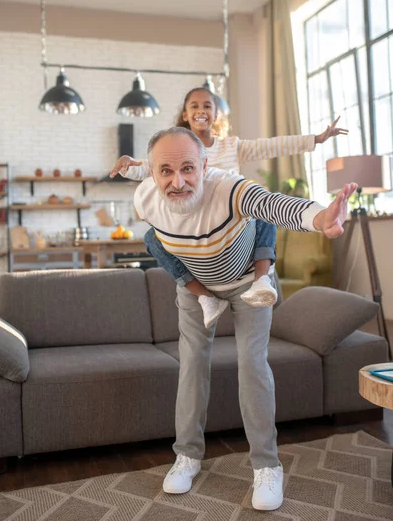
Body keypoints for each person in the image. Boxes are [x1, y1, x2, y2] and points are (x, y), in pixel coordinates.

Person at [133, 126, 356, 511]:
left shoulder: (229, 187)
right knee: (191, 367)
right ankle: (186, 456)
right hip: (195, 289)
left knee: (252, 366)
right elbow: (161, 248)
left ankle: (267, 466)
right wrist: (196, 289)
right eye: (165, 171)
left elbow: (274, 205)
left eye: (188, 168)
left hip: (246, 284)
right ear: (151, 174)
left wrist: (319, 218)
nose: (178, 181)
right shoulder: (145, 202)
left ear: (205, 165)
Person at [110, 87, 347, 328]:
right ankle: (203, 295)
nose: (201, 110)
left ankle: (262, 278)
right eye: (194, 106)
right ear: (185, 114)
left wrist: (315, 139)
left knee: (259, 208)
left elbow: (270, 146)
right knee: (152, 237)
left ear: (216, 114)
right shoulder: (175, 148)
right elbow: (153, 169)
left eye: (207, 106)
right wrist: (128, 166)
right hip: (190, 223)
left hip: (233, 222)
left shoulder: (230, 146)